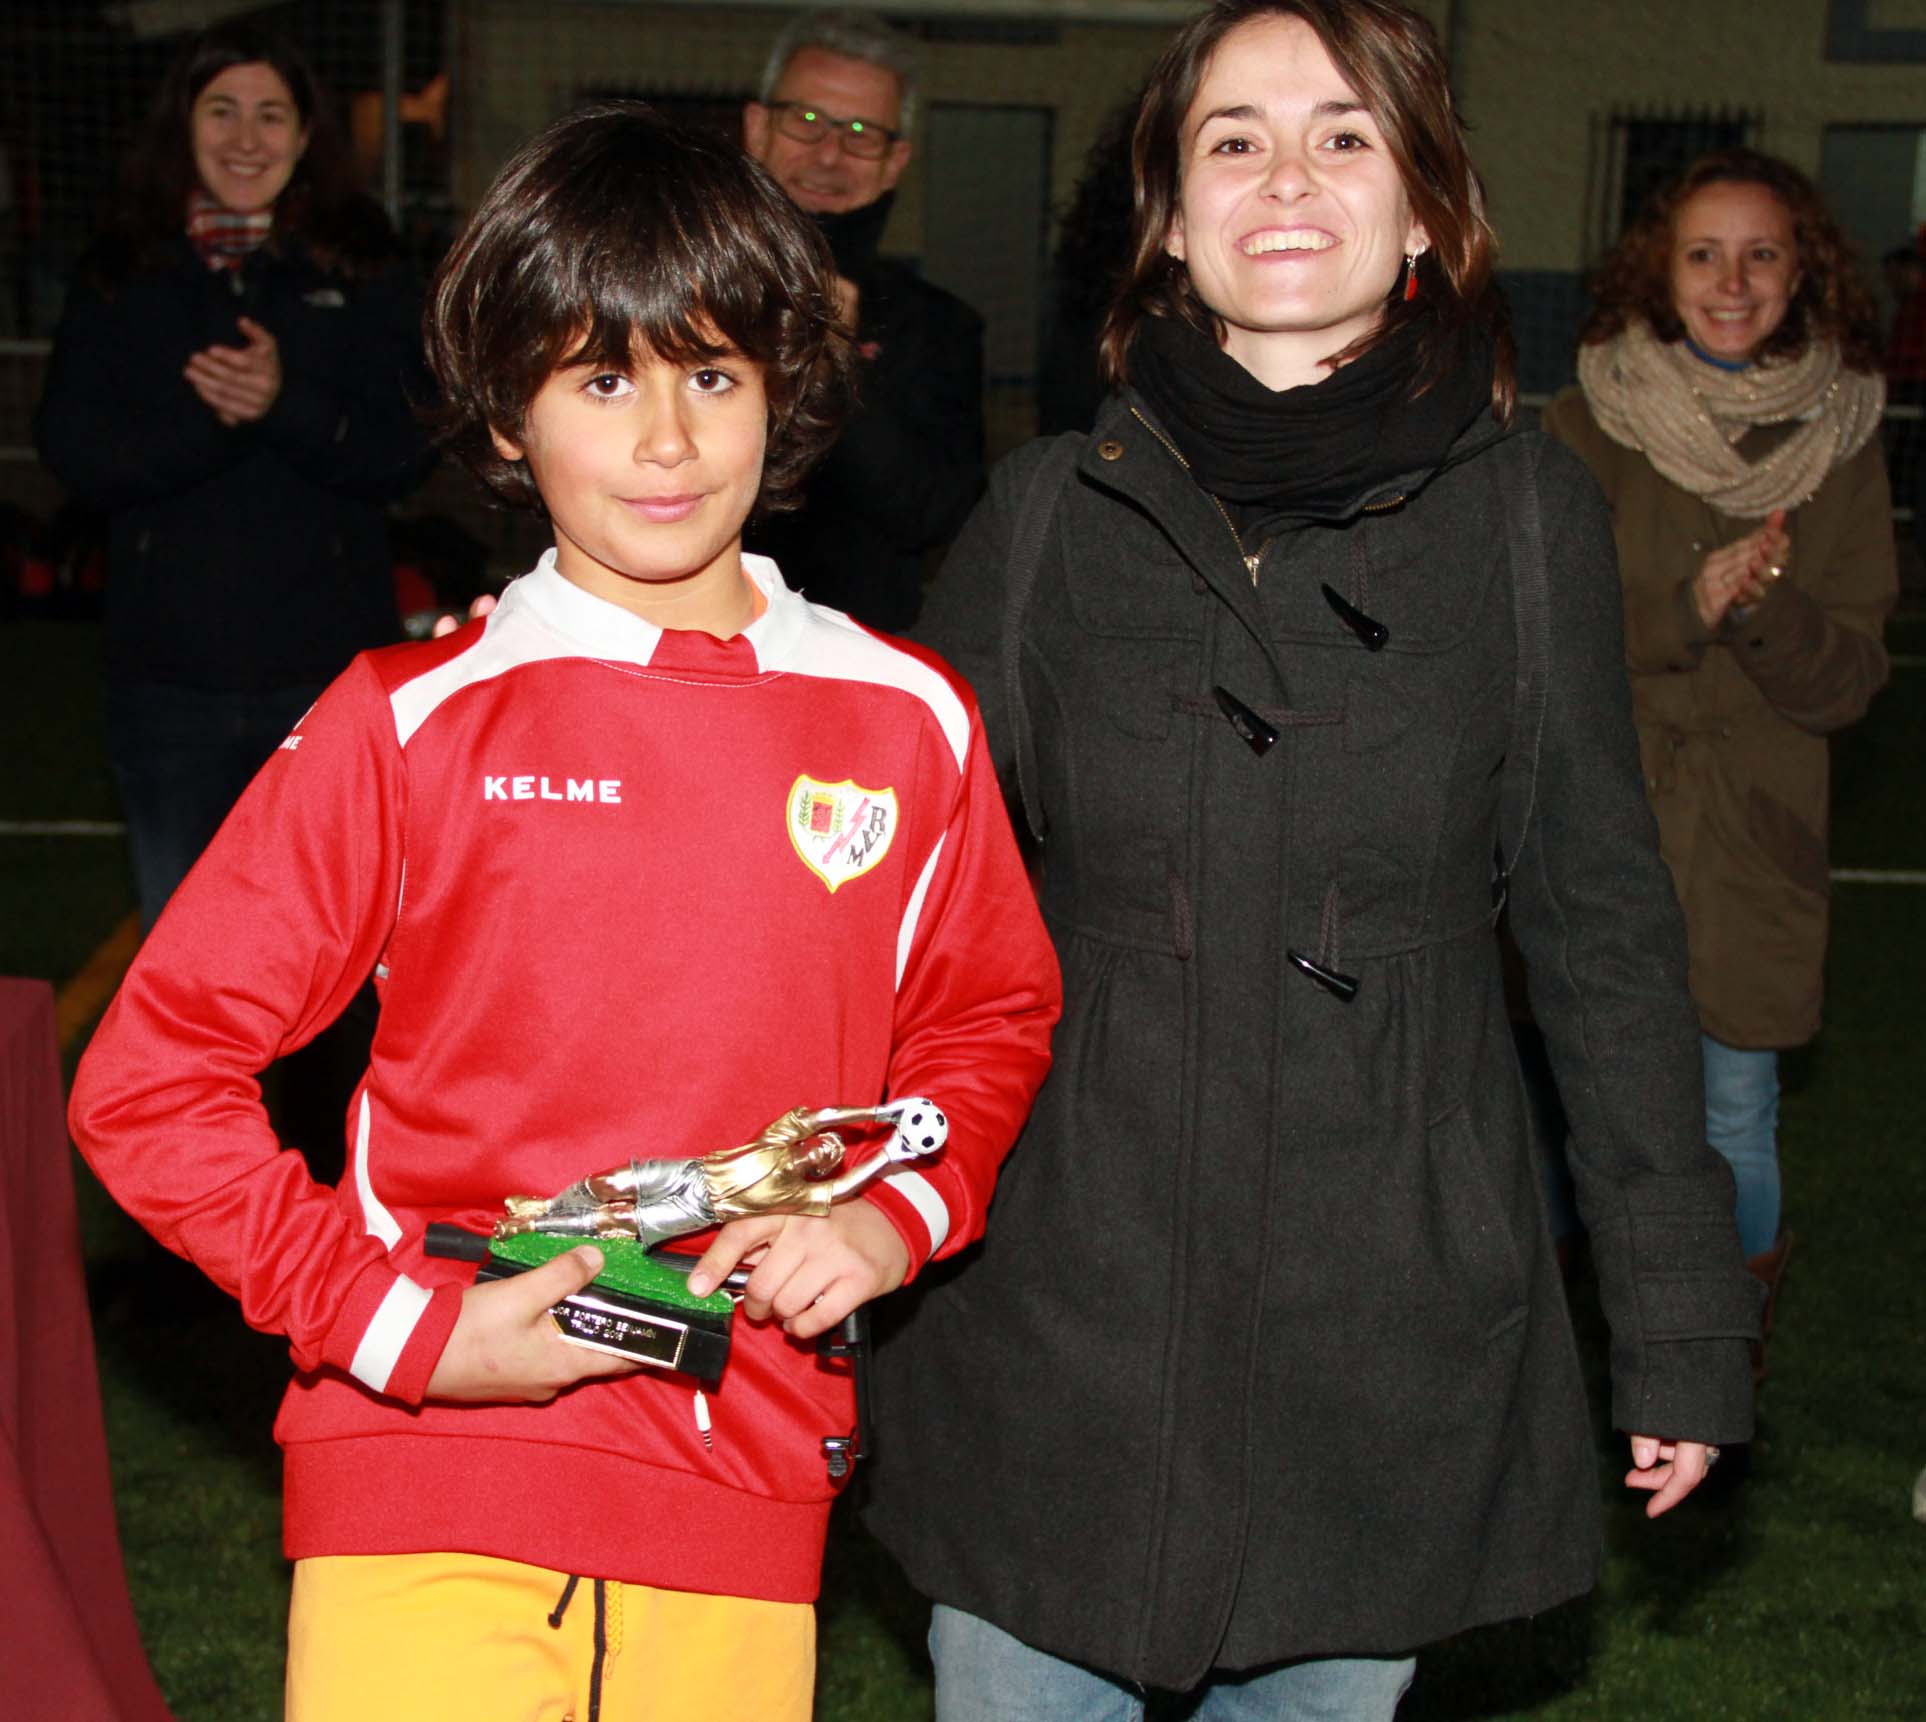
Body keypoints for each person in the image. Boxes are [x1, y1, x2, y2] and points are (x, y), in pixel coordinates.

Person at [68, 103, 1059, 1722]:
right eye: (603, 379)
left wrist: (895, 1213)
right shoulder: (410, 719)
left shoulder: (906, 716)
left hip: (742, 1482)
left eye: (712, 375)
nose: (667, 441)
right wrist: (394, 1322)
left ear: (785, 387)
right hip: (426, 1471)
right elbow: (149, 1081)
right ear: (506, 412)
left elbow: (987, 1015)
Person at [860, 5, 1761, 1717]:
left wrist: (1677, 1319)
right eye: (1233, 139)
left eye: (1344, 135)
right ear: (1167, 218)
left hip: (1382, 1329)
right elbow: (880, 890)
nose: (1285, 176)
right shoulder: (1043, 515)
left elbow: (1602, 935)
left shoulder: (1526, 520)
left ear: (1424, 209)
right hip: (1059, 1314)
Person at [1543, 150, 1895, 1384]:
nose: (1732, 283)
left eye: (1761, 255)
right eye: (1704, 254)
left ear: (1804, 274)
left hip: (1752, 845)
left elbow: (1849, 683)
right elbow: (1541, 644)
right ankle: (1559, 1357)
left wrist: (1762, 610)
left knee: (1734, 1111)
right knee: (1577, 1103)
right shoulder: (1586, 425)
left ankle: (1712, 1368)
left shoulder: (1843, 441)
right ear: (1661, 268)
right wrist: (1684, 607)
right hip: (1603, 831)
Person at [34, 21, 430, 929]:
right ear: (184, 124)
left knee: (339, 957)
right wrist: (213, 424)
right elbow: (75, 454)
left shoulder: (363, 263)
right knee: (189, 954)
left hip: (332, 687)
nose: (246, 139)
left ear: (306, 134)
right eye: (222, 111)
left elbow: (403, 454)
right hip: (167, 688)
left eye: (270, 115)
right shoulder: (124, 269)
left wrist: (287, 405)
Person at [740, 7, 985, 632]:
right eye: (807, 121)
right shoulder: (678, 291)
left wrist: (837, 365)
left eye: (860, 132)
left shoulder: (938, 326)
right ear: (758, 127)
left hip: (860, 649)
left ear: (894, 161)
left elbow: (934, 516)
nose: (829, 153)